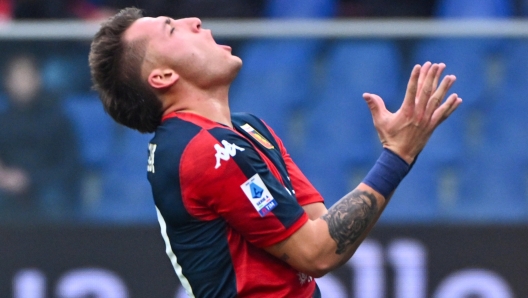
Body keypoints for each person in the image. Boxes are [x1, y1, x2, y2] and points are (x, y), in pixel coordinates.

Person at [88, 7, 462, 297]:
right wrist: (397, 156)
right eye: (171, 28)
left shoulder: (247, 128)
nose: (194, 21)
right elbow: (317, 253)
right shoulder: (201, 150)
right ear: (163, 77)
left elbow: (323, 229)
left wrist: (397, 153)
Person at [0, 54, 82, 222]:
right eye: (17, 78)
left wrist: (31, 179)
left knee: (52, 199)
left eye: (26, 77)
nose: (22, 83)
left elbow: (70, 164)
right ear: (7, 82)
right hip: (10, 186)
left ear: (38, 79)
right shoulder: (3, 121)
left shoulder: (58, 119)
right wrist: (6, 177)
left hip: (49, 184)